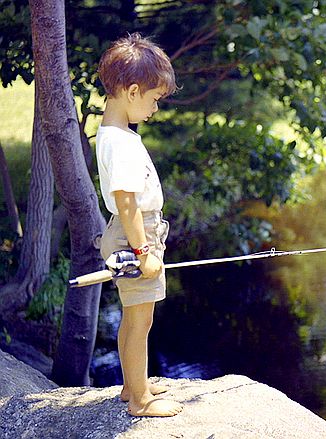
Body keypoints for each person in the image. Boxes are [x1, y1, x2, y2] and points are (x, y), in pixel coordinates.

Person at [96, 33, 182, 417]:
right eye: (154, 99)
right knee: (140, 320)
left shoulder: (114, 133)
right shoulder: (122, 143)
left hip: (131, 231)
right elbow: (127, 203)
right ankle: (140, 401)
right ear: (133, 92)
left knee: (133, 317)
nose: (155, 108)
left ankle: (133, 385)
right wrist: (143, 252)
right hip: (135, 234)